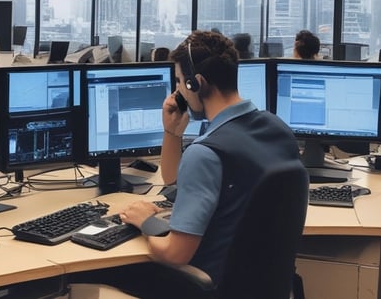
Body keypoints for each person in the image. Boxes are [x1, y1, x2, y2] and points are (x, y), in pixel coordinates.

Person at [71, 30, 302, 297]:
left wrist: (146, 222)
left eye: (180, 81)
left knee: (86, 270)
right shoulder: (278, 129)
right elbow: (176, 182)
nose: (178, 90)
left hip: (210, 285)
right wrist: (172, 133)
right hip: (258, 287)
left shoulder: (207, 152)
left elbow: (174, 253)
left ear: (196, 84)